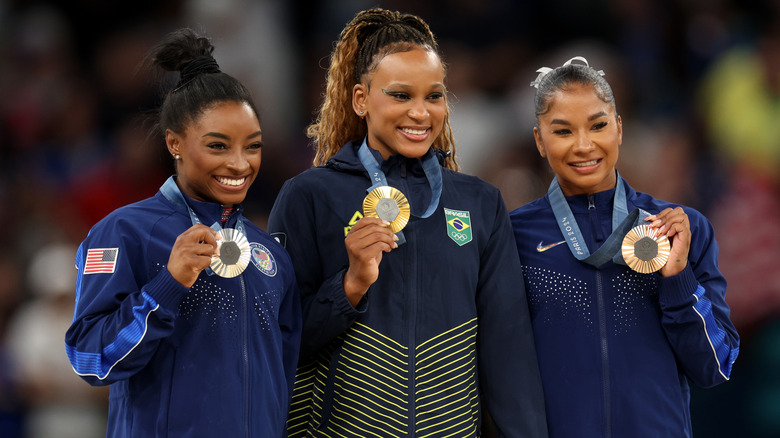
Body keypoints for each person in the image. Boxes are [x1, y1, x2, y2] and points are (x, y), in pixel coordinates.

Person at [268, 8, 547, 438]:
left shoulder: (479, 203)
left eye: (433, 96)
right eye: (401, 95)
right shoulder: (309, 197)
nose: (421, 113)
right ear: (361, 99)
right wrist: (350, 286)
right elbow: (280, 342)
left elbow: (507, 351)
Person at [64, 28, 301, 438]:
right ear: (174, 142)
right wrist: (167, 286)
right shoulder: (125, 232)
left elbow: (288, 377)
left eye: (253, 146)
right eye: (218, 146)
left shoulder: (270, 256)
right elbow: (88, 357)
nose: (240, 163)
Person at [510, 56, 740, 437]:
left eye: (598, 125)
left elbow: (714, 367)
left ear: (619, 128)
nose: (584, 146)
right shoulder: (514, 235)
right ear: (539, 140)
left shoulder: (680, 228)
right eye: (563, 131)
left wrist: (678, 278)